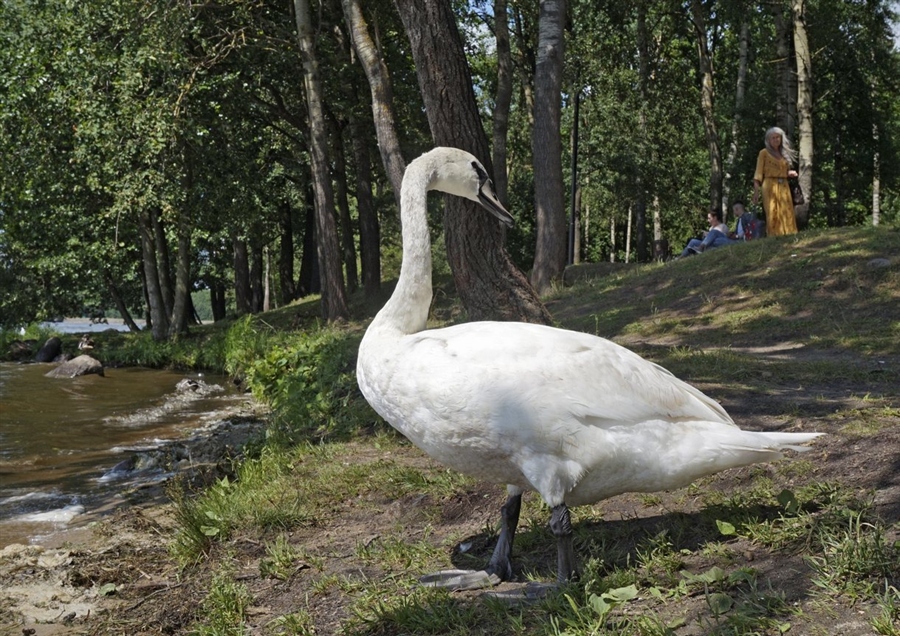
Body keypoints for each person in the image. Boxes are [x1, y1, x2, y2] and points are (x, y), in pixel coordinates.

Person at [752, 127, 798, 236]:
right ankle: (774, 236)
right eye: (773, 138)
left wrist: (789, 174)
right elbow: (758, 173)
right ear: (768, 140)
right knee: (772, 211)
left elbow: (783, 171)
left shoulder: (784, 153)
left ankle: (790, 234)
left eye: (778, 137)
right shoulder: (763, 153)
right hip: (769, 185)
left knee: (786, 209)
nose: (776, 140)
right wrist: (756, 192)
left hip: (784, 185)